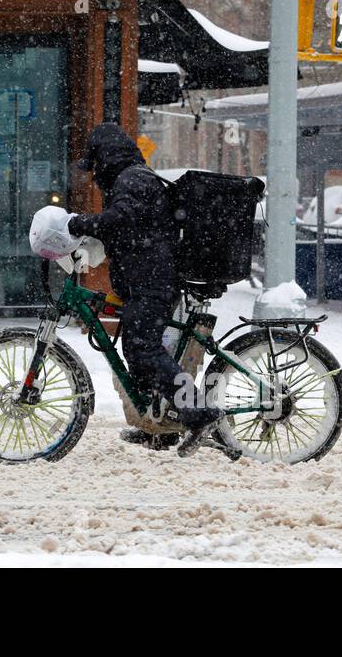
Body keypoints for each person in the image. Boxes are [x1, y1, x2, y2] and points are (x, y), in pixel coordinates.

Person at [67, 123, 225, 454]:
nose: (94, 174)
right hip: (144, 281)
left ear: (106, 158)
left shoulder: (133, 179)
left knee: (144, 349)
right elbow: (124, 226)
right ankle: (158, 424)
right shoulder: (130, 178)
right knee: (136, 353)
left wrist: (78, 222)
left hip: (153, 282)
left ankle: (198, 413)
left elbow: (120, 219)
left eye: (94, 165)